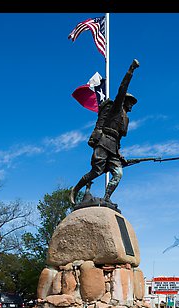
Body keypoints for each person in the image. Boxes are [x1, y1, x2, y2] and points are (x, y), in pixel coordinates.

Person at [69, 59, 140, 206]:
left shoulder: (126, 119)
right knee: (96, 172)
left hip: (113, 147)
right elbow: (122, 87)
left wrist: (120, 155)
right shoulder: (116, 108)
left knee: (118, 173)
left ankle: (106, 198)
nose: (131, 105)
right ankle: (76, 189)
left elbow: (119, 138)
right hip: (103, 141)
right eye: (130, 102)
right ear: (125, 101)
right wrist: (131, 69)